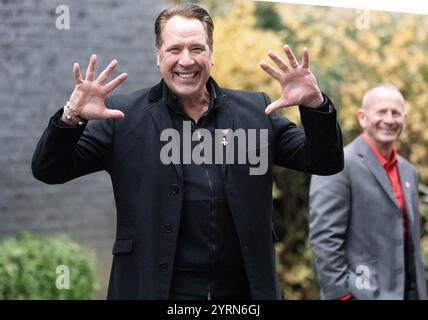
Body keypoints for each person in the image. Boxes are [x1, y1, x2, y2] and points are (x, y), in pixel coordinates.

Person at [32, 4, 343, 299]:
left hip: (241, 294)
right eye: (174, 50)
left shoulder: (255, 110)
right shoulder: (122, 117)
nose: (186, 60)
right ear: (158, 56)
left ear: (211, 54)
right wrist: (72, 116)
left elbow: (325, 162)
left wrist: (314, 106)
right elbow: (49, 169)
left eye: (196, 49)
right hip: (154, 289)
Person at [309, 84, 427, 300]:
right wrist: (343, 296)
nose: (390, 120)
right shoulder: (338, 165)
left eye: (396, 113)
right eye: (381, 112)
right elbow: (325, 239)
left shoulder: (408, 171)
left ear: (405, 119)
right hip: (361, 294)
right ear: (362, 118)